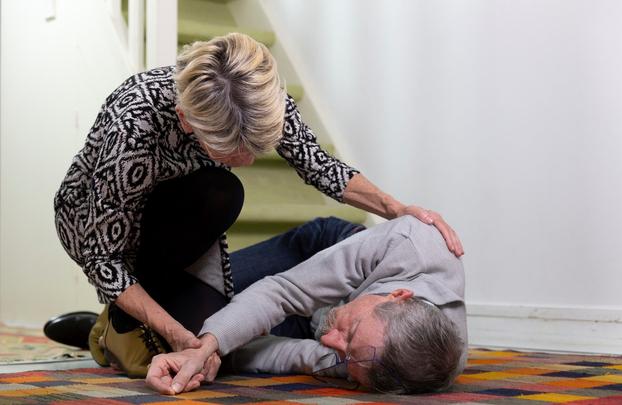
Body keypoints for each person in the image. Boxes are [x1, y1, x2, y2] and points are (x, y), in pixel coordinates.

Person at [51, 32, 464, 374]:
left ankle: (103, 332)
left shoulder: (255, 96)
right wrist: (175, 333)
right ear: (187, 120)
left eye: (255, 147)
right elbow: (101, 256)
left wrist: (397, 209)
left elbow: (319, 165)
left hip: (191, 226)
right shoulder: (134, 122)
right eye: (233, 150)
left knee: (218, 343)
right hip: (103, 233)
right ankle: (121, 324)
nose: (248, 161)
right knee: (222, 194)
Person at [146, 215, 467, 395]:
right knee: (179, 300)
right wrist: (207, 346)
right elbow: (283, 292)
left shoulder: (380, 363)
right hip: (320, 250)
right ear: (398, 295)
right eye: (350, 332)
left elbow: (295, 356)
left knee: (185, 330)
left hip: (317, 316)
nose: (329, 341)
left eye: (343, 354)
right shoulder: (409, 243)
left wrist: (216, 357)